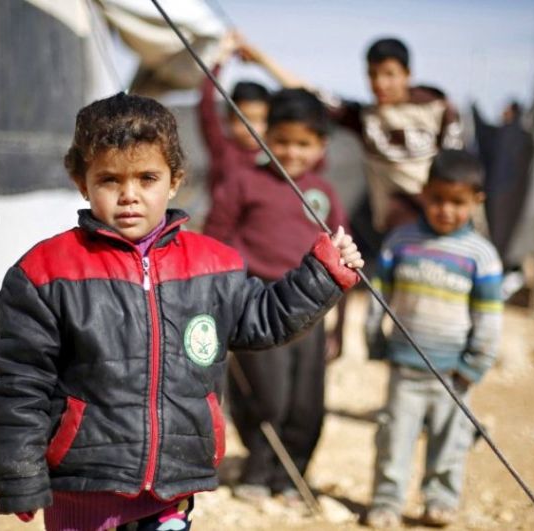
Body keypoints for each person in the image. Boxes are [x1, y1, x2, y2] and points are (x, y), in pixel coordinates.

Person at [0, 92, 363, 531]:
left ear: (176, 179)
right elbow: (21, 385)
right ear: (80, 179)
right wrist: (19, 475)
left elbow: (266, 317)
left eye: (147, 178)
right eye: (110, 179)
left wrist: (323, 274)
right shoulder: (44, 273)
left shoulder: (213, 266)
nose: (129, 196)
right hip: (83, 489)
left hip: (172, 486)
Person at [203, 88, 351, 504]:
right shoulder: (244, 182)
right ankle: (258, 467)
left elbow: (343, 259)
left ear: (321, 145)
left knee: (306, 403)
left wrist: (339, 326)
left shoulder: (324, 194)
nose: (292, 151)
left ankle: (292, 476)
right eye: (282, 140)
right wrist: (221, 304)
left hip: (312, 312)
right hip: (258, 306)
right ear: (265, 135)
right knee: (265, 395)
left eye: (304, 143)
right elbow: (215, 242)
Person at [365, 150, 503, 528]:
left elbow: (489, 318)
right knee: (394, 439)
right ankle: (386, 501)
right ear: (424, 193)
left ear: (477, 201)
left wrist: (475, 364)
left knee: (451, 443)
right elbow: (379, 294)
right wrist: (374, 338)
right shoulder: (400, 241)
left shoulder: (481, 255)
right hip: (405, 367)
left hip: (454, 373)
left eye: (458, 203)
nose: (446, 210)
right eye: (438, 199)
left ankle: (440, 499)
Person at [328, 37, 463, 237]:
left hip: (441, 223)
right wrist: (265, 62)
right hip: (396, 227)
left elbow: (456, 169)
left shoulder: (437, 109)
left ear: (407, 74)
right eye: (373, 74)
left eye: (389, 74)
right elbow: (314, 96)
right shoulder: (367, 119)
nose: (380, 83)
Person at [198, 32, 304, 195]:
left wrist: (260, 61)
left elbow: (302, 99)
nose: (252, 128)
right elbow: (206, 104)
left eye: (261, 120)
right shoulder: (223, 148)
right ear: (228, 120)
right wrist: (221, 58)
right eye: (243, 119)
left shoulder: (279, 154)